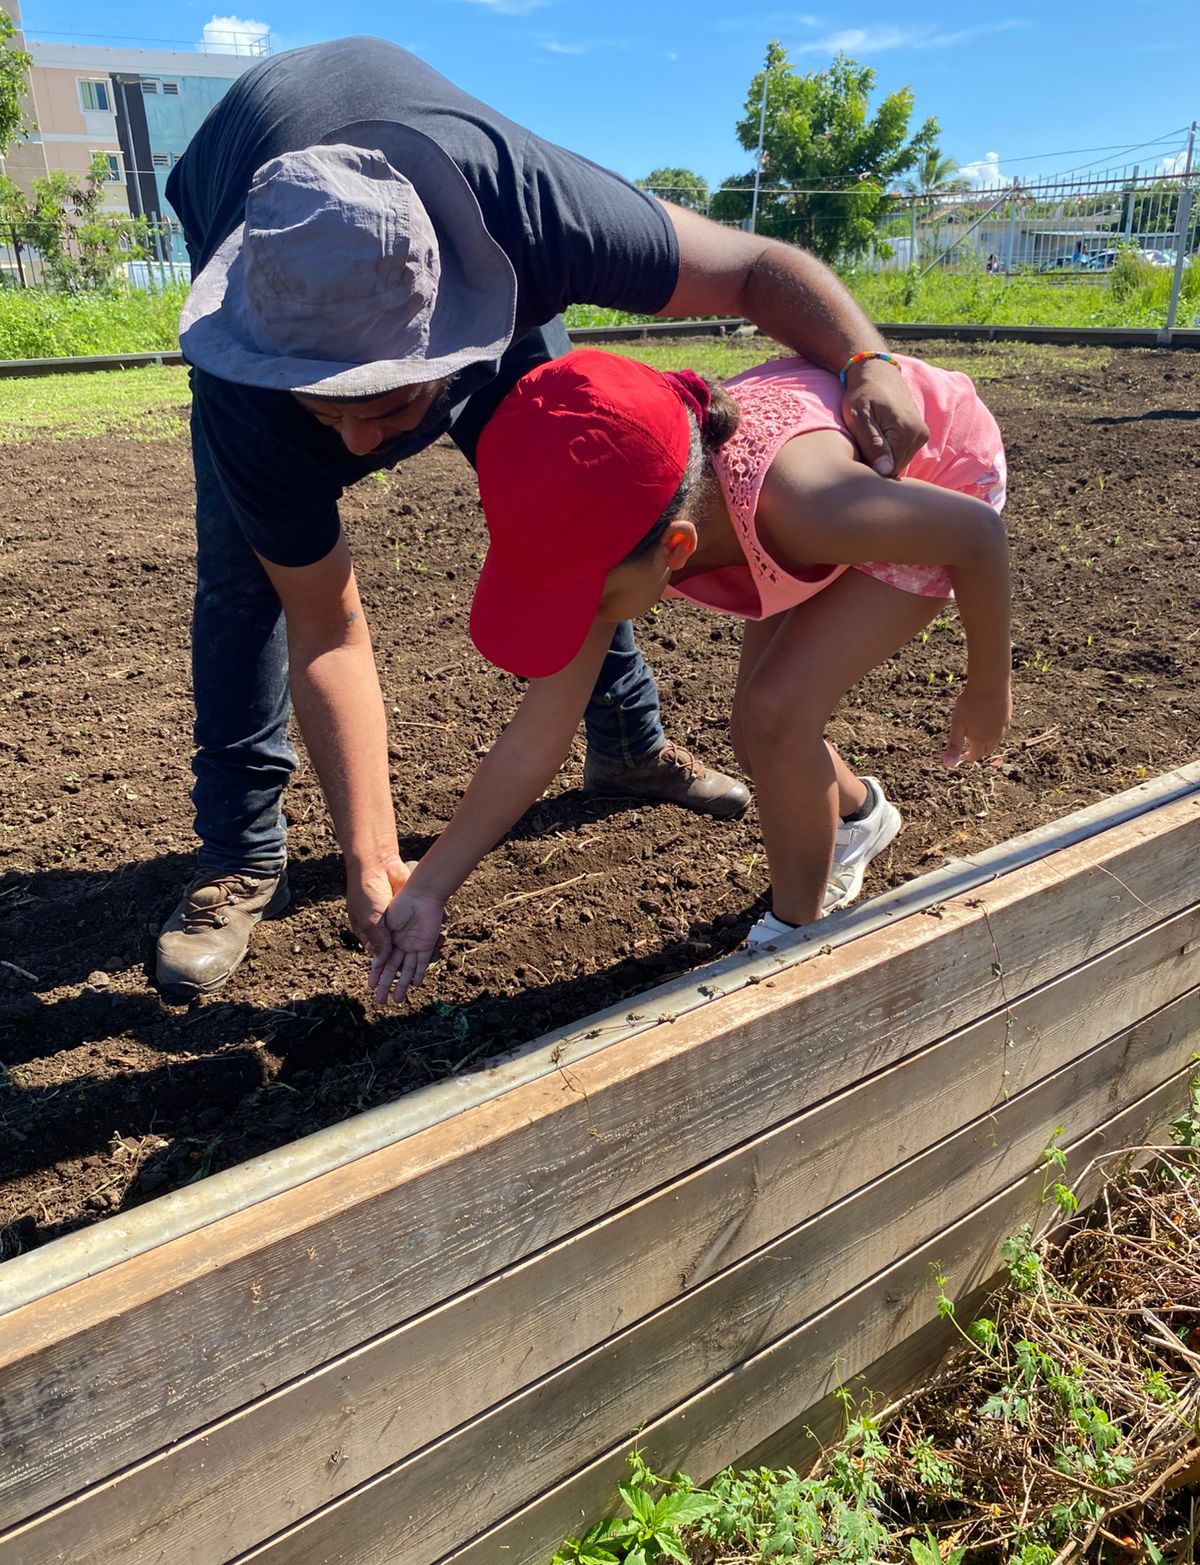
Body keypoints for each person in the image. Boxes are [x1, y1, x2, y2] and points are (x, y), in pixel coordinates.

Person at [157, 35, 932, 999]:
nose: (363, 449)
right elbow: (329, 623)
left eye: (391, 410)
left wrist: (868, 360)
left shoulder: (531, 212)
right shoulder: (255, 377)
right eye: (331, 415)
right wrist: (373, 856)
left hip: (464, 238)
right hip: (249, 191)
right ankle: (240, 851)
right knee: (245, 579)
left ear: (458, 330)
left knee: (580, 502)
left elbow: (755, 267)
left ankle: (628, 746)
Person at [368, 347, 1011, 1006]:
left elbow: (977, 535)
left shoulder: (809, 510)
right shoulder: (609, 521)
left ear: (676, 548)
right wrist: (428, 888)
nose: (578, 615)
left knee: (776, 716)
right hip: (808, 497)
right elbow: (536, 738)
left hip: (937, 481)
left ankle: (794, 934)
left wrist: (988, 686)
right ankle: (861, 817)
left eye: (588, 598)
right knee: (756, 730)